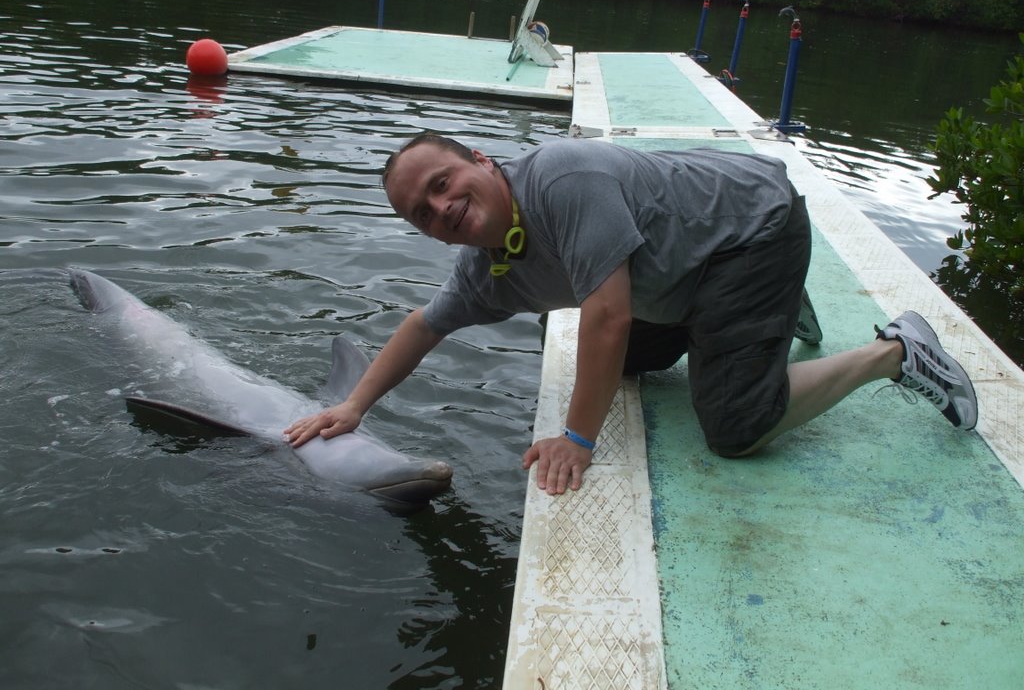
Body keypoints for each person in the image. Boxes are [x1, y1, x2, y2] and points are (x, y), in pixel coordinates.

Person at [284, 134, 978, 496]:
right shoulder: (487, 265)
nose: (440, 209)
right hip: (684, 257)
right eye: (421, 214)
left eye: (443, 184)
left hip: (751, 229)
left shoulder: (560, 178)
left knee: (737, 426)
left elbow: (609, 316)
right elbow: (424, 325)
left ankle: (897, 352)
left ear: (483, 162)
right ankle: (769, 310)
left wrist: (576, 442)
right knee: (631, 369)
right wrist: (354, 407)